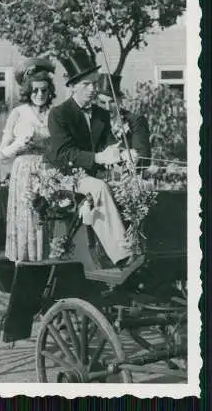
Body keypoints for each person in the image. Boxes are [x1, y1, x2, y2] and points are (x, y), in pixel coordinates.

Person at [45, 59, 135, 267]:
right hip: (64, 177)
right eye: (86, 84)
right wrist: (97, 157)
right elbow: (63, 153)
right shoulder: (59, 114)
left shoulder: (101, 114)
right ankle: (122, 254)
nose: (93, 89)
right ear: (73, 86)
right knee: (98, 188)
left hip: (92, 174)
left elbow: (109, 144)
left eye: (95, 83)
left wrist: (123, 154)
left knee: (130, 187)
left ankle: (139, 244)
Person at [0, 57, 56, 262]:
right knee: (27, 217)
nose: (40, 94)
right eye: (35, 90)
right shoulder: (18, 113)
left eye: (44, 90)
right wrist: (19, 144)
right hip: (23, 172)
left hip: (48, 171)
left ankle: (48, 265)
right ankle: (25, 265)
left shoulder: (54, 114)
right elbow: (2, 154)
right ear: (28, 91)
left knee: (47, 217)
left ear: (50, 91)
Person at [97, 74, 151, 168]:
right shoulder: (93, 122)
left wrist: (132, 156)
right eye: (102, 102)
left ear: (120, 100)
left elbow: (144, 158)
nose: (107, 107)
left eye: (112, 102)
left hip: (127, 176)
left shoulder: (135, 121)